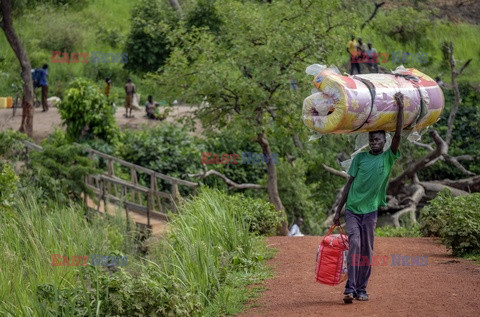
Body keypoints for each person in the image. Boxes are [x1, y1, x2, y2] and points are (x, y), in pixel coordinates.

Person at [333, 92, 404, 304]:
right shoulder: (360, 158)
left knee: (367, 250)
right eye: (371, 139)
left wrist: (400, 108)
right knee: (354, 244)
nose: (374, 142)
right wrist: (338, 211)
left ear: (384, 141)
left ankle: (362, 288)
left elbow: (399, 136)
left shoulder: (389, 157)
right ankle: (350, 288)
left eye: (378, 139)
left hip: (371, 211)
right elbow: (348, 185)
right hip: (353, 209)